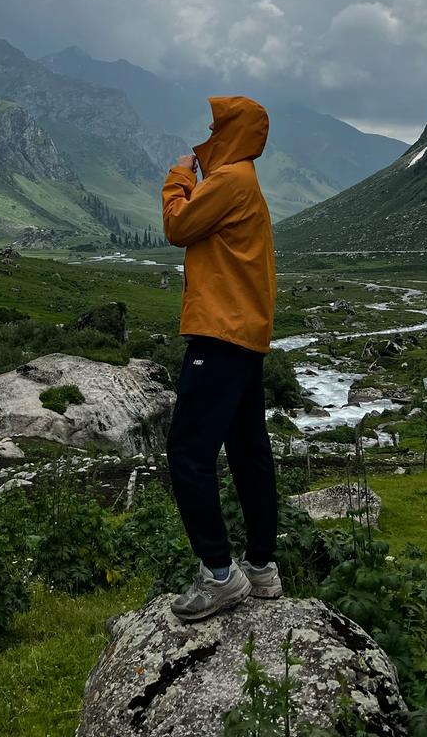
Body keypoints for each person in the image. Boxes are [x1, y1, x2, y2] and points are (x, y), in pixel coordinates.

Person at [161, 95, 280, 622]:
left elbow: (178, 227)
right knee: (249, 452)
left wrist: (176, 177)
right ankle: (260, 567)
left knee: (187, 452)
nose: (207, 134)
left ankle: (218, 575)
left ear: (232, 132)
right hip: (245, 339)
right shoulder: (245, 181)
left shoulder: (229, 180)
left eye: (215, 126)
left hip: (219, 334)